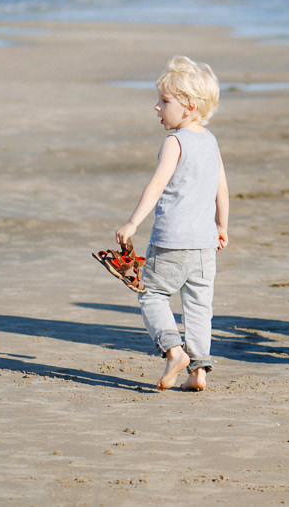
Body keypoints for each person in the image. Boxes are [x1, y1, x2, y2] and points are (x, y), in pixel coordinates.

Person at [116, 55, 230, 391]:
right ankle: (199, 371)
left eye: (165, 102)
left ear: (190, 107)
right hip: (205, 243)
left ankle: (173, 351)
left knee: (151, 295)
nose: (157, 108)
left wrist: (133, 222)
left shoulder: (174, 142)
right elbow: (222, 189)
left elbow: (156, 186)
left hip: (171, 242)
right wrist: (223, 226)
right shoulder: (210, 141)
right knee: (198, 306)